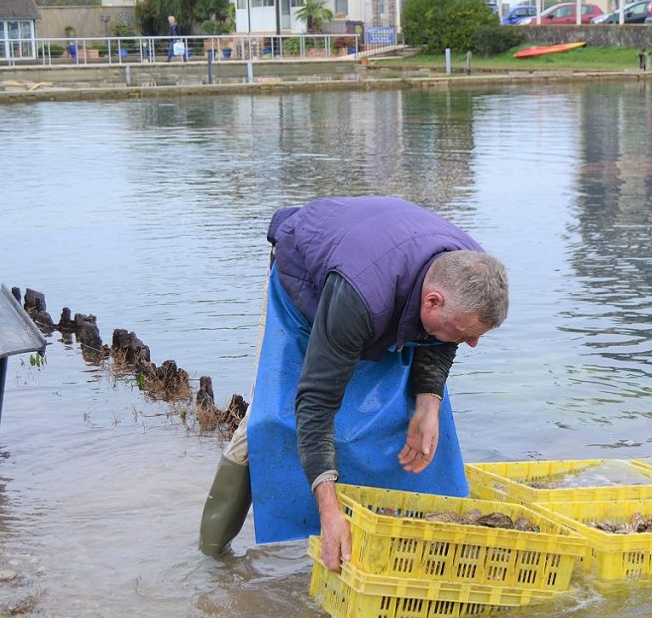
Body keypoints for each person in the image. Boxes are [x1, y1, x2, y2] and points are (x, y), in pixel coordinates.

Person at [198, 196, 509, 572]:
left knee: (413, 416)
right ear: (432, 302)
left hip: (382, 272)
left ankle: (396, 543)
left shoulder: (470, 271)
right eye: (468, 334)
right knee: (271, 420)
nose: (472, 344)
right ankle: (212, 559)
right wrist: (329, 514)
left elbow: (446, 340)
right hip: (309, 281)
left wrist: (429, 404)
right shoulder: (360, 296)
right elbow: (316, 402)